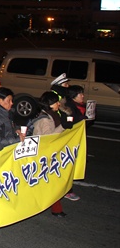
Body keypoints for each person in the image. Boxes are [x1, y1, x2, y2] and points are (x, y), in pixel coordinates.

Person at [32, 91, 67, 217]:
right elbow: (47, 138)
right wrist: (63, 126)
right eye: (55, 102)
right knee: (49, 181)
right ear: (49, 104)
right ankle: (55, 209)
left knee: (48, 182)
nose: (58, 104)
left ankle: (55, 208)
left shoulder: (53, 115)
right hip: (43, 154)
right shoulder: (45, 119)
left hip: (50, 153)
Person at [50, 73, 80, 201]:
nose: (68, 86)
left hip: (61, 132)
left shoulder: (63, 97)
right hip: (55, 133)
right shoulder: (55, 97)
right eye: (65, 84)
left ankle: (65, 190)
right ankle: (62, 191)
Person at [0, 87, 25, 152]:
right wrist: (16, 139)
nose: (11, 103)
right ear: (0, 101)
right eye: (9, 101)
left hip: (7, 151)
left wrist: (16, 130)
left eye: (12, 100)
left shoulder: (7, 113)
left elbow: (10, 126)